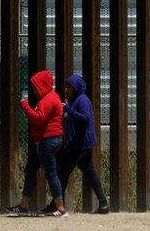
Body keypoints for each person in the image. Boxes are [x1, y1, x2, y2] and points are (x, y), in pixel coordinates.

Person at [8, 69, 68, 217]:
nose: (34, 90)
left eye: (35, 87)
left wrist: (25, 105)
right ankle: (23, 206)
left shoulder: (48, 99)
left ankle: (60, 208)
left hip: (47, 141)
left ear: (42, 85)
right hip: (44, 141)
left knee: (51, 173)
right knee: (31, 169)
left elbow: (39, 118)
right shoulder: (49, 98)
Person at [53, 74, 109, 214]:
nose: (66, 89)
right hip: (80, 144)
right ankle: (103, 204)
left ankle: (56, 205)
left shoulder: (82, 100)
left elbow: (85, 119)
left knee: (62, 173)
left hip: (80, 145)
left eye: (69, 87)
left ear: (76, 87)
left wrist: (68, 109)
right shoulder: (75, 99)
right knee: (90, 172)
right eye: (66, 87)